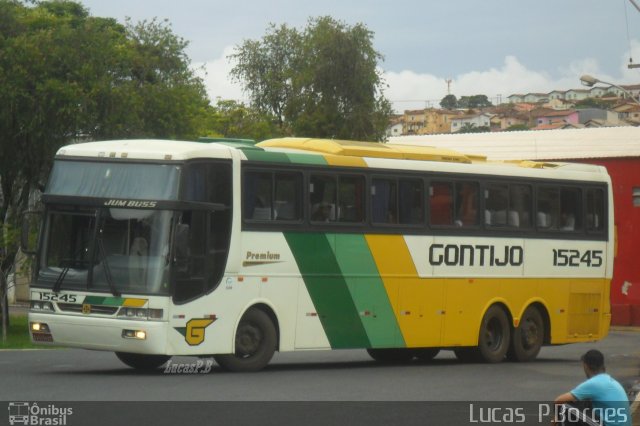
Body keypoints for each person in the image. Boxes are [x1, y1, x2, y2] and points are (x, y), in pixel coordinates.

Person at [554, 349, 631, 426]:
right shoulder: (609, 380)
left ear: (586, 366)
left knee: (564, 407)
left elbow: (558, 400)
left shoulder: (594, 383)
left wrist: (556, 417)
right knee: (583, 401)